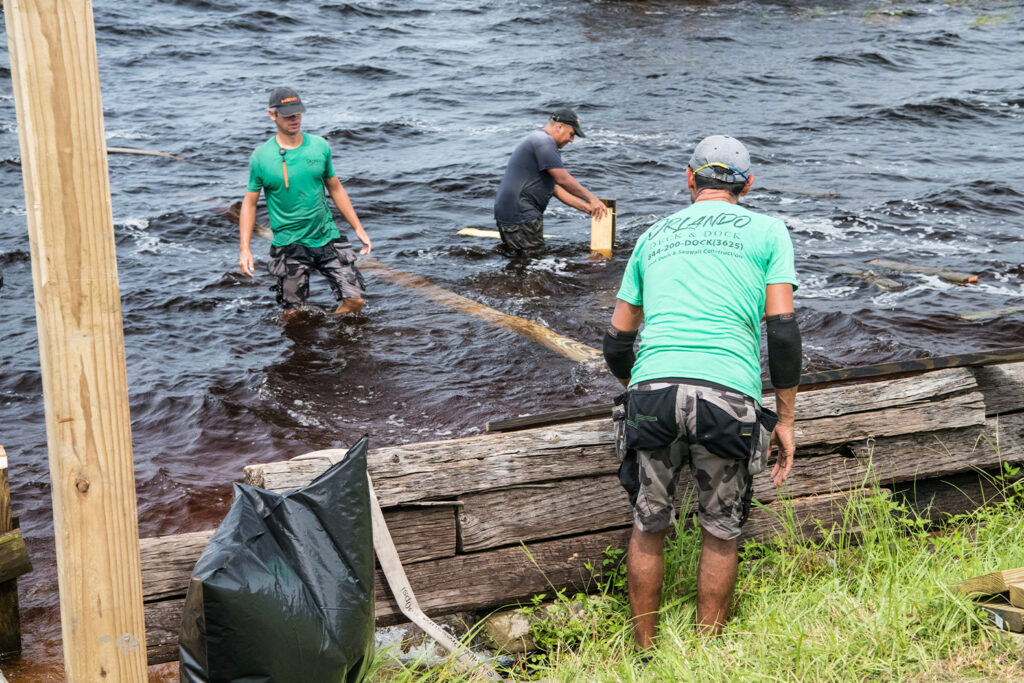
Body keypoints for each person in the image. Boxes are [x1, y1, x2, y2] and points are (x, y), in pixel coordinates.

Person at [602, 135, 801, 649]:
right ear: (747, 185)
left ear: (689, 179)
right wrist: (786, 419)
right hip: (727, 394)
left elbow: (617, 340)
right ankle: (706, 652)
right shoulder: (768, 231)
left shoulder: (654, 234)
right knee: (721, 529)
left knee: (649, 525)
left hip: (652, 391)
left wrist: (639, 388)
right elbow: (781, 330)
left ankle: (644, 651)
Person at [238, 87, 372, 317]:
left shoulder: (320, 146)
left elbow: (335, 187)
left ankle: (331, 332)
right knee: (293, 314)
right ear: (272, 115)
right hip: (289, 245)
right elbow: (249, 204)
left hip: (326, 237)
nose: (294, 119)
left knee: (355, 301)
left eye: (297, 113)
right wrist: (245, 249)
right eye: (288, 114)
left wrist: (358, 227)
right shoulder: (261, 157)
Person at [493, 108, 608, 253]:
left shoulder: (537, 140)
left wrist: (587, 208)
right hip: (522, 213)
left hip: (508, 211)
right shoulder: (544, 142)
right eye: (572, 134)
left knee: (520, 262)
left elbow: (555, 188)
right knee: (533, 262)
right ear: (560, 126)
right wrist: (593, 199)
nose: (571, 140)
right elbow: (563, 179)